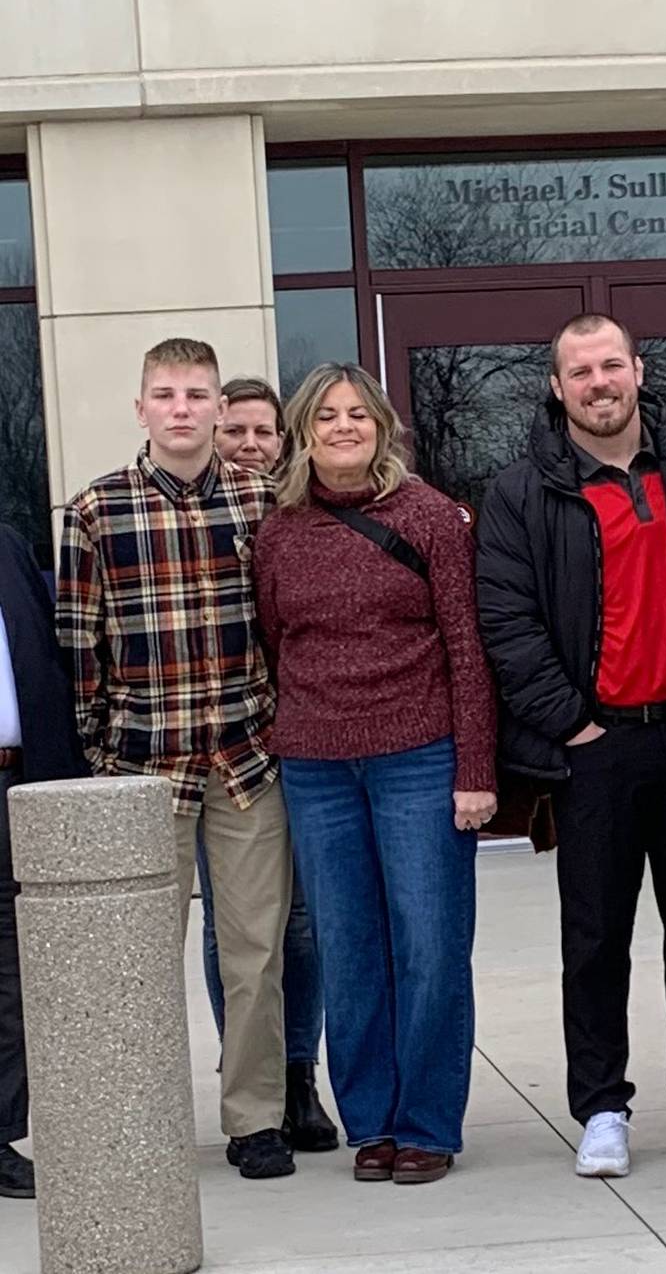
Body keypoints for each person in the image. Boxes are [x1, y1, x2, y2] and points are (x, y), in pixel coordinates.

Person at [475, 314, 666, 1180]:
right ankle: (601, 1105)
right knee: (594, 937)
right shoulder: (523, 492)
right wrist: (570, 720)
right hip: (591, 748)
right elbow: (507, 621)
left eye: (611, 365)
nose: (598, 383)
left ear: (638, 371)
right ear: (557, 387)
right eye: (579, 371)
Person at [56, 339, 296, 1181]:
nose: (183, 408)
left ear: (217, 408)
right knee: (137, 955)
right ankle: (140, 1117)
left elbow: (283, 626)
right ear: (142, 408)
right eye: (167, 393)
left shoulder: (265, 501)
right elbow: (79, 647)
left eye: (198, 393)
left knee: (255, 952)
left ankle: (255, 1118)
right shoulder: (95, 512)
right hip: (141, 766)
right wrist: (100, 756)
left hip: (244, 757)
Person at [255, 363, 497, 1186]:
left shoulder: (430, 517)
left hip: (419, 759)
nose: (345, 426)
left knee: (429, 943)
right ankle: (372, 1123)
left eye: (360, 413)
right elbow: (274, 639)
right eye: (328, 415)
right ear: (305, 432)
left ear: (384, 426)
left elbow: (468, 649)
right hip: (316, 768)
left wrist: (475, 769)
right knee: (350, 947)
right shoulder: (279, 529)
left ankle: (426, 1122)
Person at [199, 375, 337, 1154]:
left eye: (264, 433)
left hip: (294, 740)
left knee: (304, 925)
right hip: (216, 755)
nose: (250, 444)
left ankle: (297, 1075)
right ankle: (248, 1075)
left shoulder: (288, 517)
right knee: (235, 931)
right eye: (236, 431)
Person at [0, 524, 90, 1199]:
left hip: (18, 785)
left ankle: (0, 1136)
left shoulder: (6, 543)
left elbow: (49, 661)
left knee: (12, 972)